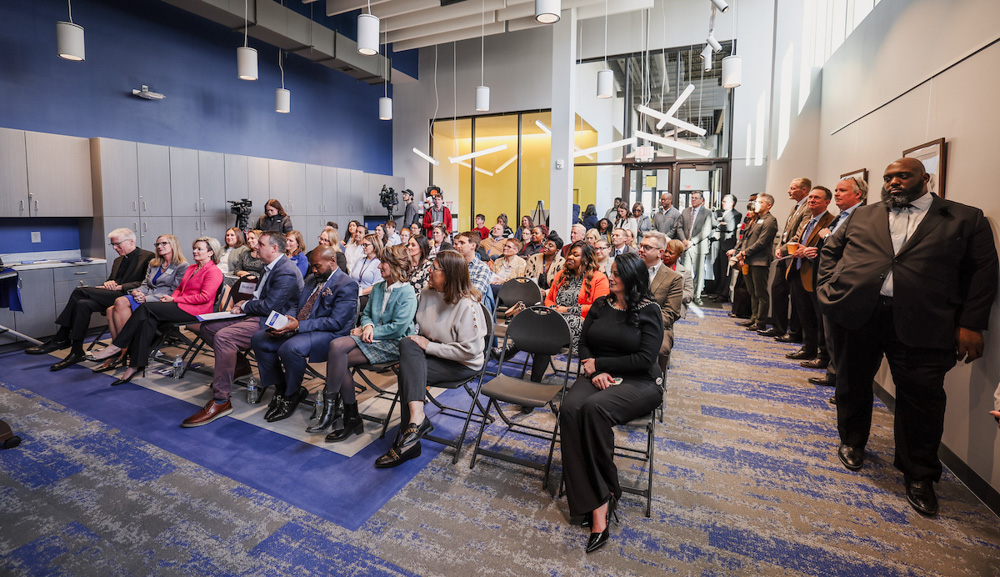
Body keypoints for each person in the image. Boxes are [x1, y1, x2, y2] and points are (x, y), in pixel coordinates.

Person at [817, 157, 998, 517]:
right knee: (852, 383)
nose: (894, 182)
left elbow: (983, 273)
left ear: (925, 178)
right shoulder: (864, 214)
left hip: (926, 322)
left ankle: (919, 475)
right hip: (859, 314)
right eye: (888, 177)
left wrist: (971, 324)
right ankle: (852, 441)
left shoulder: (964, 217)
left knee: (921, 400)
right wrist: (828, 290)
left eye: (903, 175)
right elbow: (831, 252)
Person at [559, 252, 663, 553]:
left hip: (639, 381)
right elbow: (584, 342)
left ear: (632, 277)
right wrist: (595, 366)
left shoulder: (648, 310)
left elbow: (646, 359)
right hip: (598, 375)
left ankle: (600, 506)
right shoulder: (602, 304)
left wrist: (602, 364)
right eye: (612, 271)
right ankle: (596, 495)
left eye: (617, 273)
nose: (611, 275)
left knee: (594, 409)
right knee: (569, 409)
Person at [374, 250, 487, 469]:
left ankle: (409, 441)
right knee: (408, 344)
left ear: (449, 275)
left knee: (409, 372)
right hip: (435, 353)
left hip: (462, 364)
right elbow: (417, 330)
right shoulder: (427, 293)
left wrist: (430, 346)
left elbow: (470, 352)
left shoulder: (467, 305)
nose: (429, 271)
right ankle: (416, 421)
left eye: (434, 268)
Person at [179, 231, 303, 427]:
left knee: (224, 337)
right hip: (257, 315)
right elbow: (259, 298)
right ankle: (240, 365)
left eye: (260, 244)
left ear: (274, 248)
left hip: (272, 321)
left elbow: (270, 306)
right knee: (207, 328)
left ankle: (221, 400)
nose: (255, 247)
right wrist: (244, 306)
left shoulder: (285, 270)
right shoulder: (270, 266)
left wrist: (244, 306)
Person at [91, 237, 224, 387]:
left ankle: (117, 345)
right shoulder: (192, 268)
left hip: (196, 311)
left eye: (200, 249)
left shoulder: (214, 271)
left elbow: (204, 297)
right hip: (180, 305)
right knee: (147, 320)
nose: (195, 251)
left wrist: (175, 301)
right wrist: (171, 298)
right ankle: (135, 365)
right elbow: (179, 289)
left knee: (146, 307)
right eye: (194, 248)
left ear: (211, 252)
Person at [315, 245, 417, 439]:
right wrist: (367, 326)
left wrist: (369, 331)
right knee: (336, 347)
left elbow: (398, 328)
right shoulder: (379, 287)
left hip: (393, 343)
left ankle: (345, 415)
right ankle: (340, 412)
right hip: (371, 337)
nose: (380, 267)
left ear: (396, 265)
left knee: (338, 357)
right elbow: (368, 313)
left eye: (384, 263)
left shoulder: (407, 292)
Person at [251, 246, 359, 423]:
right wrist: (287, 321)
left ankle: (292, 394)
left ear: (332, 261)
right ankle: (281, 386)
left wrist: (298, 326)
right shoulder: (310, 279)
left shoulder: (347, 284)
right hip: (302, 327)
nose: (314, 270)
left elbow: (336, 322)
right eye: (312, 266)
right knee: (259, 339)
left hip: (330, 335)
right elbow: (299, 305)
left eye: (317, 266)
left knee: (290, 348)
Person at [26, 228, 154, 371]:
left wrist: (119, 286)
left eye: (117, 244)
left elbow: (148, 284)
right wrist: (108, 283)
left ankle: (61, 337)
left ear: (131, 241)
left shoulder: (148, 257)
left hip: (130, 298)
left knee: (79, 291)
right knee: (82, 304)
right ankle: (76, 350)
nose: (115, 248)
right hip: (113, 295)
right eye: (112, 245)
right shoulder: (118, 260)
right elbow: (111, 281)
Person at [95, 234, 189, 373]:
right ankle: (122, 350)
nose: (160, 247)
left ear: (173, 245)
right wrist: (136, 292)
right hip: (144, 297)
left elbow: (174, 292)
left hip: (161, 302)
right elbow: (145, 285)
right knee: (110, 310)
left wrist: (146, 299)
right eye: (157, 244)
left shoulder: (182, 265)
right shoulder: (154, 263)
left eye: (164, 243)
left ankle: (123, 349)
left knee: (120, 301)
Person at [809, 177, 867, 388]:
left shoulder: (863, 216)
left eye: (842, 190)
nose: (837, 194)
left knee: (840, 338)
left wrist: (827, 237)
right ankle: (833, 375)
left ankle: (841, 382)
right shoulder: (842, 216)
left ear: (858, 194)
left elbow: (850, 248)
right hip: (827, 280)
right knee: (830, 333)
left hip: (843, 282)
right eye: (835, 190)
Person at [525, 241, 609, 382]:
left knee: (547, 332)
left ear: (586, 259)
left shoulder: (599, 278)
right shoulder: (561, 275)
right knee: (542, 330)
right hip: (555, 321)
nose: (569, 257)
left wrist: (568, 310)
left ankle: (514, 348)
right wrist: (554, 309)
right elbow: (550, 299)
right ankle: (534, 383)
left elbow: (598, 307)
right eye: (570, 253)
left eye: (576, 255)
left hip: (582, 323)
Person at [784, 187, 835, 365]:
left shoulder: (831, 222)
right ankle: (808, 348)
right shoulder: (808, 221)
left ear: (827, 202)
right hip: (799, 271)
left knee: (818, 317)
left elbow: (831, 250)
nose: (811, 200)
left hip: (816, 275)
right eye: (810, 197)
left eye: (816, 198)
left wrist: (806, 252)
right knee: (804, 314)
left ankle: (822, 356)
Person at [762, 179, 812, 339]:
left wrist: (782, 249)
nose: (789, 191)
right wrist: (780, 248)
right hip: (785, 255)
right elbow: (787, 233)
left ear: (804, 190)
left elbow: (800, 234)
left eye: (793, 188)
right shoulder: (795, 207)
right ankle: (778, 327)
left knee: (796, 295)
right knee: (777, 290)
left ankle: (795, 332)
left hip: (795, 257)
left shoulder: (807, 208)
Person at [637, 231, 683, 370]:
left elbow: (671, 313)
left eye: (647, 247)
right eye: (641, 246)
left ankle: (656, 384)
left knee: (660, 348)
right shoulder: (631, 269)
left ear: (660, 252)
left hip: (658, 326)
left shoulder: (673, 278)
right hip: (627, 320)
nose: (641, 250)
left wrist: (643, 322)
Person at [733, 194, 777, 331]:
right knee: (752, 292)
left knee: (760, 293)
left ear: (768, 205)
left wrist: (744, 253)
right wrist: (741, 254)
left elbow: (762, 242)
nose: (756, 204)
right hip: (748, 260)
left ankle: (760, 321)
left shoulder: (770, 221)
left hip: (760, 261)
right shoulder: (756, 219)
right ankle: (753, 318)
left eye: (760, 202)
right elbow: (746, 239)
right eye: (756, 202)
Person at [677, 191, 715, 306]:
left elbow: (706, 231)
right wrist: (684, 240)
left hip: (698, 246)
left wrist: (692, 242)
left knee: (699, 273)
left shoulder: (707, 213)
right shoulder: (685, 211)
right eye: (692, 198)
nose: (693, 200)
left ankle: (697, 296)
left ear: (702, 200)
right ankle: (685, 296)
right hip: (685, 246)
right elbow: (679, 227)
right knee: (685, 272)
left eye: (696, 198)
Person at [452, 232, 495, 311]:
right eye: (458, 243)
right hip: (454, 307)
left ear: (473, 246)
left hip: (472, 311)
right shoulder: (454, 266)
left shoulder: (482, 268)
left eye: (462, 243)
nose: (458, 246)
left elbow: (475, 296)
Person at [712, 194, 742, 301]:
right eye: (722, 201)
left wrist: (718, 225)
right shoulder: (718, 212)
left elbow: (730, 227)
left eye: (725, 202)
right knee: (717, 269)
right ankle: (718, 292)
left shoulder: (736, 214)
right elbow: (712, 223)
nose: (722, 203)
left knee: (726, 271)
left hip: (727, 246)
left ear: (732, 203)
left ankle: (724, 294)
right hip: (717, 245)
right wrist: (720, 224)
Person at [351, 233, 384, 312]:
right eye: (363, 245)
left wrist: (360, 292)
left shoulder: (378, 263)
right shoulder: (360, 260)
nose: (363, 247)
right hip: (355, 293)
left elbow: (376, 286)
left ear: (375, 245)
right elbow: (351, 278)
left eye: (366, 245)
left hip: (367, 296)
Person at [661, 239, 694, 317]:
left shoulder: (685, 273)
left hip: (675, 310)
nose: (666, 254)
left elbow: (689, 295)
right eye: (665, 251)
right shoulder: (655, 268)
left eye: (670, 253)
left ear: (679, 255)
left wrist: (673, 293)